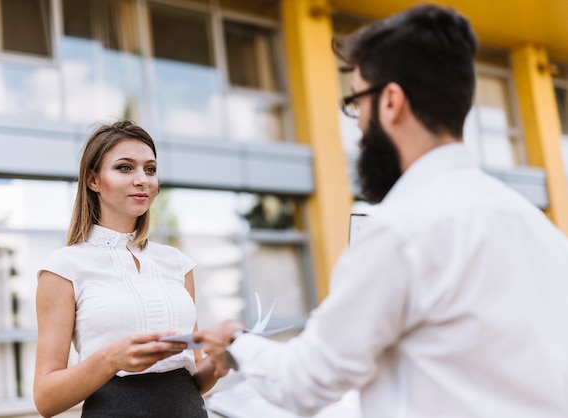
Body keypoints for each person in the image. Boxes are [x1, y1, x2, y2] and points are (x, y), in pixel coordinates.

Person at [194, 4, 568, 418]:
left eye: (356, 103)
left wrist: (234, 342)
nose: (356, 126)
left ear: (391, 101)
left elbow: (305, 382)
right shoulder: (537, 226)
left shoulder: (400, 230)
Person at [34, 120, 218, 418]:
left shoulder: (178, 263)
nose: (142, 179)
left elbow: (195, 378)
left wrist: (221, 361)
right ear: (93, 180)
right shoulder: (63, 268)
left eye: (150, 169)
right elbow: (45, 399)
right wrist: (110, 360)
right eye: (124, 167)